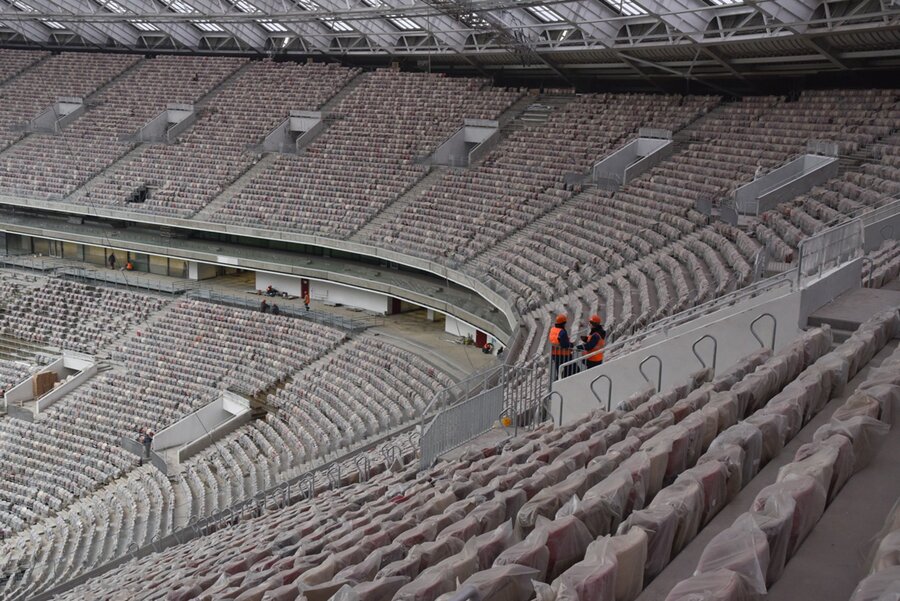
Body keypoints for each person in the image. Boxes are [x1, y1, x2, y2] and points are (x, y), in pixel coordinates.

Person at [548, 314, 575, 381]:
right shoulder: (562, 332)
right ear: (563, 323)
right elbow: (565, 345)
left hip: (555, 354)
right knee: (572, 368)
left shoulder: (553, 329)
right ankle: (563, 381)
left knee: (559, 369)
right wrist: (571, 345)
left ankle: (559, 380)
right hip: (564, 355)